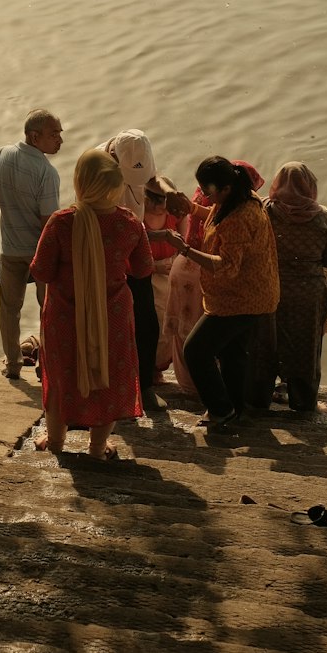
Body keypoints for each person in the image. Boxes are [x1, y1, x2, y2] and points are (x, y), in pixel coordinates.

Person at [30, 148, 153, 458]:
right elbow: (143, 269)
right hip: (112, 315)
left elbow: (41, 271)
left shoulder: (61, 222)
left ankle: (56, 444)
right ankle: (97, 448)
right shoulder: (129, 224)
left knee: (61, 377)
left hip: (64, 315)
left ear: (81, 182)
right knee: (107, 379)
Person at [164, 157, 280, 429]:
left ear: (226, 188)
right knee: (231, 353)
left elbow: (226, 267)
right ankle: (233, 411)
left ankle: (220, 409)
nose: (206, 197)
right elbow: (217, 217)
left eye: (209, 192)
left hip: (241, 298)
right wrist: (192, 208)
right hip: (251, 293)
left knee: (195, 350)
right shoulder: (241, 197)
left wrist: (184, 249)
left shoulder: (241, 217)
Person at [248, 163, 327, 414]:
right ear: (311, 187)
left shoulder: (264, 211)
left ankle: (259, 400)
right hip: (307, 294)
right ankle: (304, 405)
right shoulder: (323, 219)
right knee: (305, 349)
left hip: (269, 290)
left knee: (264, 346)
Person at [0, 108, 63, 379]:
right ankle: (45, 365)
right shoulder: (46, 172)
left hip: (10, 250)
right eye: (54, 135)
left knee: (9, 310)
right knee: (47, 309)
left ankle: (13, 364)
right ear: (34, 136)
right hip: (39, 252)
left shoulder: (2, 154)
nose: (60, 140)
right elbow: (47, 223)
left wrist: (10, 204)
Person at [102, 130, 161, 402]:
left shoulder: (139, 152)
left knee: (147, 320)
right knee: (113, 323)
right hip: (108, 255)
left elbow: (152, 180)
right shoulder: (97, 167)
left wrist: (171, 193)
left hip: (136, 246)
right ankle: (113, 387)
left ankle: (145, 385)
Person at [143, 175, 182, 380]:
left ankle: (158, 366)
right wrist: (155, 266)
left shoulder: (174, 217)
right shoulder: (137, 216)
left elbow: (184, 247)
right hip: (145, 276)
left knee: (169, 322)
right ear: (146, 199)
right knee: (151, 322)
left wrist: (174, 261)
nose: (162, 209)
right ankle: (146, 366)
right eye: (158, 204)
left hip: (169, 275)